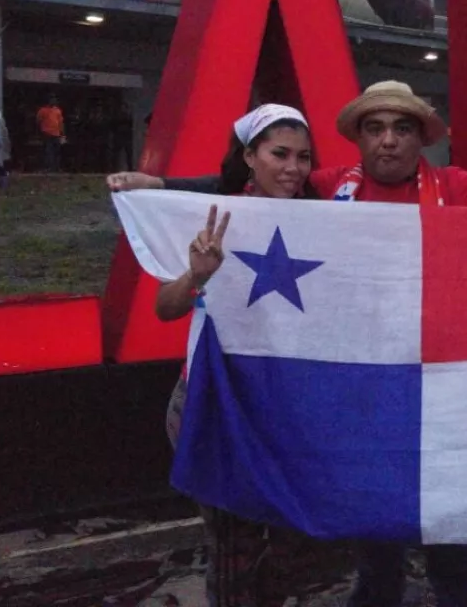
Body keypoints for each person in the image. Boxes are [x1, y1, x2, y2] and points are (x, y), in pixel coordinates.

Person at [109, 81, 467, 606]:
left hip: (441, 386)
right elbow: (238, 190)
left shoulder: (455, 188)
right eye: (375, 127)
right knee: (370, 522)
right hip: (367, 390)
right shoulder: (328, 189)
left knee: (453, 528)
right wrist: (157, 186)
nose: (388, 140)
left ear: (422, 138)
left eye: (402, 128)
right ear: (359, 139)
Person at [158, 103, 322, 607]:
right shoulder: (214, 218)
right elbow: (165, 307)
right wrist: (196, 275)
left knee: (294, 539)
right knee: (233, 547)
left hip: (289, 413)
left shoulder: (326, 223)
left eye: (303, 157)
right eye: (279, 154)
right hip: (217, 405)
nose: (293, 168)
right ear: (250, 156)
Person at [37, 94, 65, 173]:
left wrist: (62, 134)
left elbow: (61, 123)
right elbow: (38, 121)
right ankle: (48, 167)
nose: (53, 101)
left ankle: (57, 167)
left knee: (57, 152)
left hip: (56, 134)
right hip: (46, 133)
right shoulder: (42, 110)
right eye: (52, 99)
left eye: (54, 99)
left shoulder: (58, 110)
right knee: (48, 151)